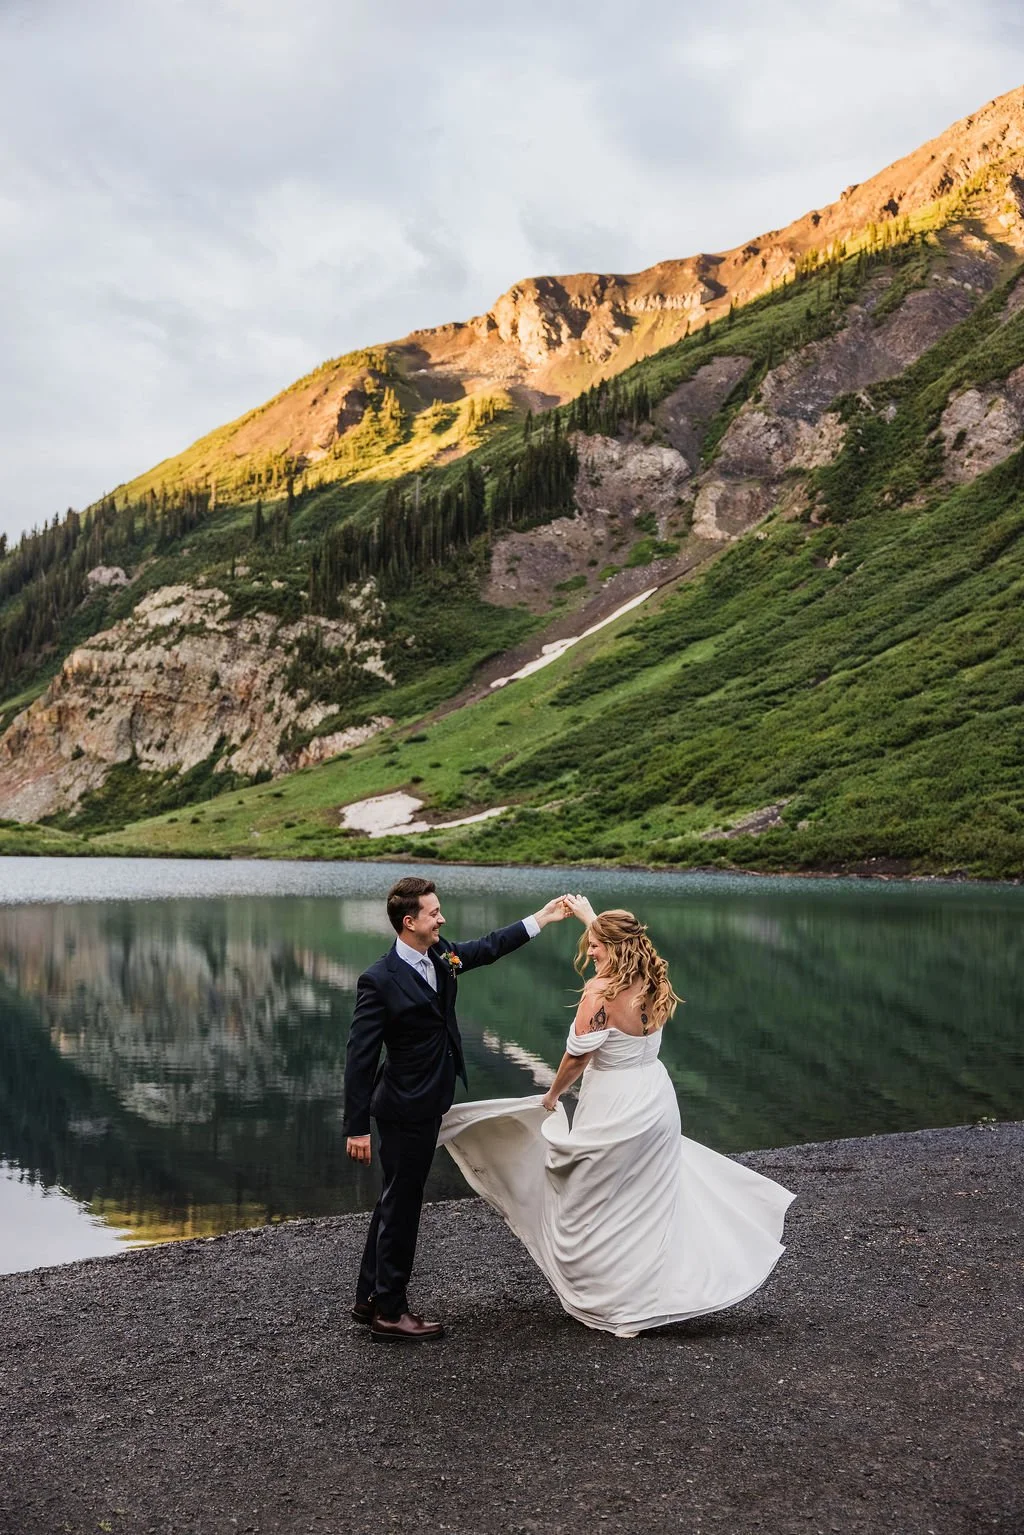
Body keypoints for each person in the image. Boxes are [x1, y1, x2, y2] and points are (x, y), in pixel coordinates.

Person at [438, 895, 796, 1338]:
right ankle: (647, 1287)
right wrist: (593, 921)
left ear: (613, 947)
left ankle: (613, 1296)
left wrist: (551, 1097)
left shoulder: (600, 994)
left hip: (614, 1102)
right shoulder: (654, 978)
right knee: (644, 1198)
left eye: (594, 946)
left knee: (591, 1195)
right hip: (656, 1100)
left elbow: (575, 1058)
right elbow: (629, 941)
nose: (588, 952)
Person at [343, 875, 570, 1343]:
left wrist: (540, 920)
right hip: (403, 1108)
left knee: (394, 1199)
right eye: (433, 913)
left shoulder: (440, 955)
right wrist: (356, 1127)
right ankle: (390, 1311)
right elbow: (360, 1058)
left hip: (429, 1100)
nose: (441, 918)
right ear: (410, 922)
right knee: (403, 1207)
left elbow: (485, 948)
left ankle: (370, 1297)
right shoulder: (379, 980)